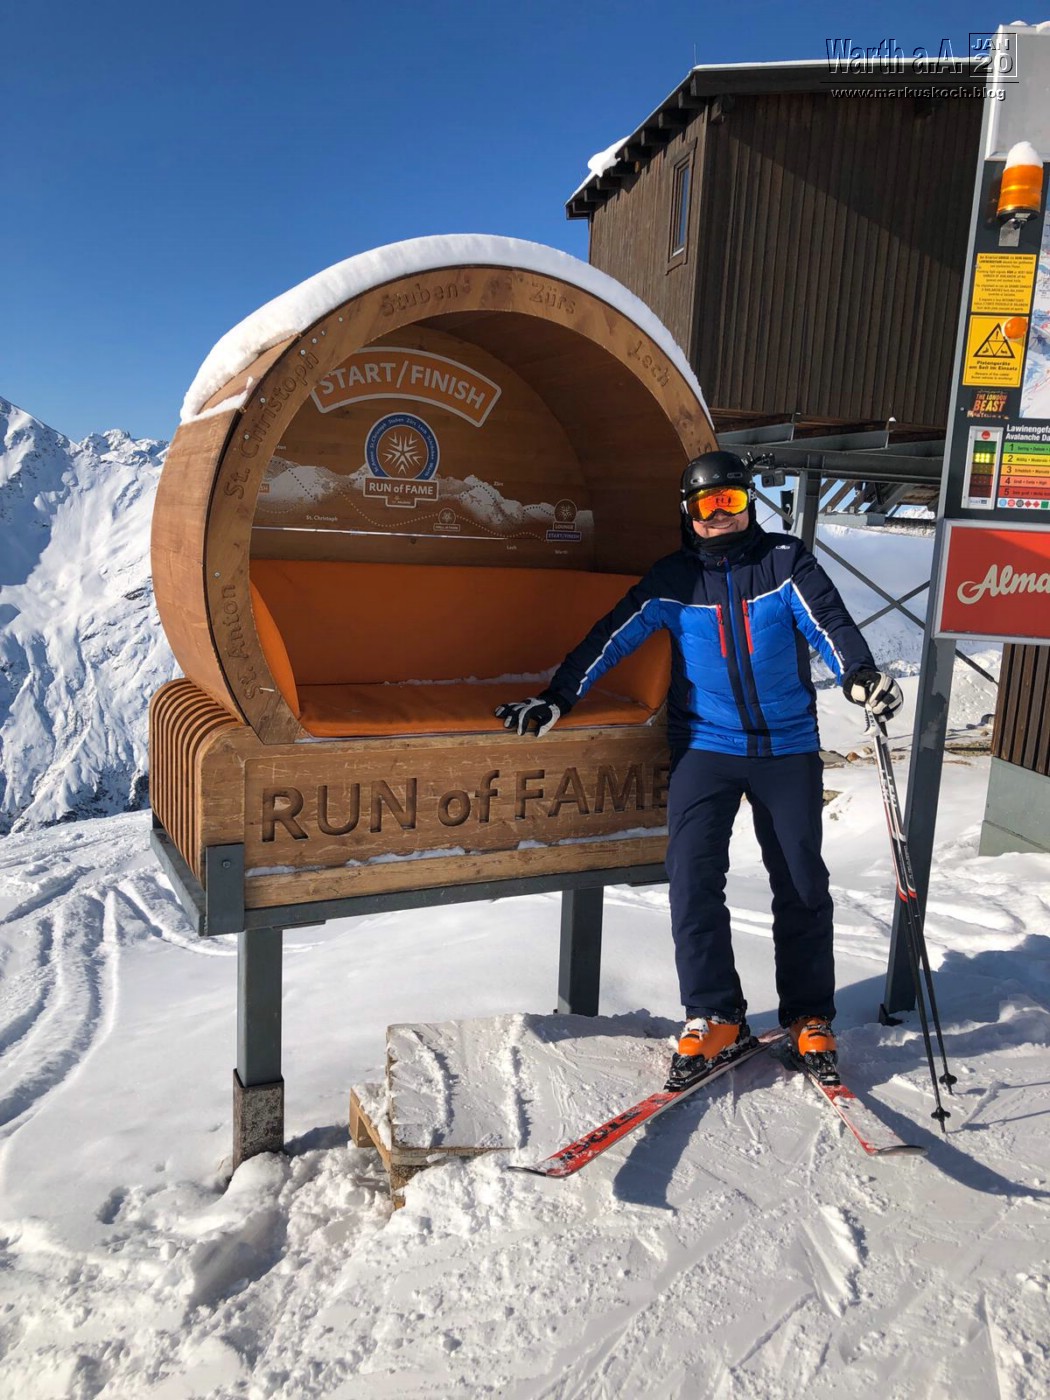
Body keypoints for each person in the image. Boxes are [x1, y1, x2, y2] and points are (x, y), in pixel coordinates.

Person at [495, 450, 902, 1091]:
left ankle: (809, 1017)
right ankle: (716, 1014)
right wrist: (558, 697)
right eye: (706, 506)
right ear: (687, 514)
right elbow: (610, 637)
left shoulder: (785, 562)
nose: (720, 517)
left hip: (786, 747)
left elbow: (830, 623)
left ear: (749, 504)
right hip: (706, 747)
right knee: (691, 879)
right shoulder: (672, 580)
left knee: (800, 881)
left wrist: (859, 675)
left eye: (731, 502)